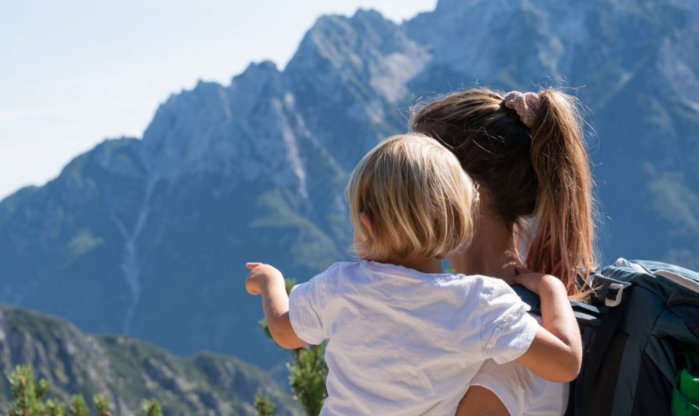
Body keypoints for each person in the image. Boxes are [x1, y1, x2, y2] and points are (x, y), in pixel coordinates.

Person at [244, 133, 582, 415]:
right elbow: (565, 363)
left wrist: (271, 280)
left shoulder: (340, 286)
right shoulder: (479, 302)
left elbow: (285, 332)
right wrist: (551, 287)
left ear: (367, 225)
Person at [410, 89, 596, 416]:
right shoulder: (487, 315)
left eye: (419, 175)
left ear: (465, 190)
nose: (403, 195)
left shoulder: (513, 344)